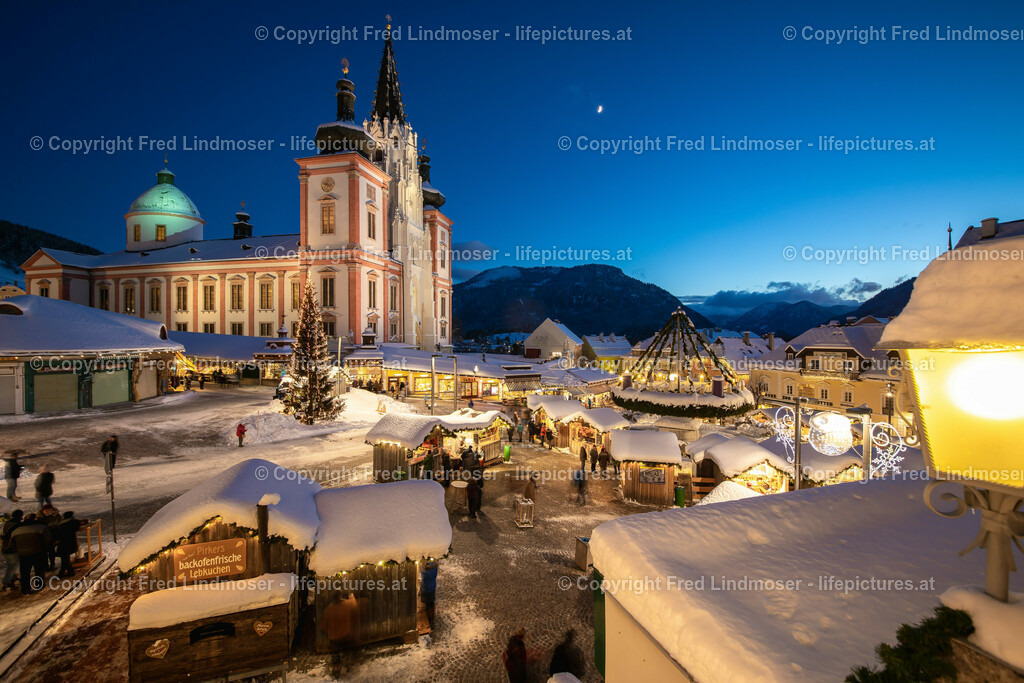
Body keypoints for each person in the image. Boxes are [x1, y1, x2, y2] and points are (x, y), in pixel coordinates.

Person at [11, 513, 50, 594]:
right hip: (38, 553)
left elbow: (12, 544)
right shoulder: (41, 528)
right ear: (35, 519)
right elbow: (47, 541)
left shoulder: (16, 530)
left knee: (25, 572)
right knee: (39, 571)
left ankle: (25, 589)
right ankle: (40, 586)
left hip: (23, 555)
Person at [56, 511, 83, 578]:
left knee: (64, 558)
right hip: (71, 543)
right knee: (65, 558)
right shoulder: (74, 522)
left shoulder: (61, 524)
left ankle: (64, 572)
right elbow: (77, 526)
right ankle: (68, 572)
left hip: (63, 544)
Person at [2, 509, 23, 590]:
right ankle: (6, 582)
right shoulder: (18, 525)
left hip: (5, 548)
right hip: (11, 549)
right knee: (12, 566)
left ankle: (13, 578)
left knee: (11, 565)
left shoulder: (7, 523)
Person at [39, 504, 61, 570]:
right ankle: (46, 566)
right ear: (43, 511)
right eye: (46, 511)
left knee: (51, 552)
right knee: (44, 553)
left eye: (49, 510)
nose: (48, 512)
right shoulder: (39, 518)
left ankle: (52, 564)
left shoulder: (56, 516)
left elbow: (60, 523)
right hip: (43, 538)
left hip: (53, 537)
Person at [420, 558, 438, 626]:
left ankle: (429, 619)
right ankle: (432, 618)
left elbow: (424, 575)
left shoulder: (426, 572)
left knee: (428, 605)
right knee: (431, 603)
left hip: (426, 589)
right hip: (432, 587)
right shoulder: (434, 568)